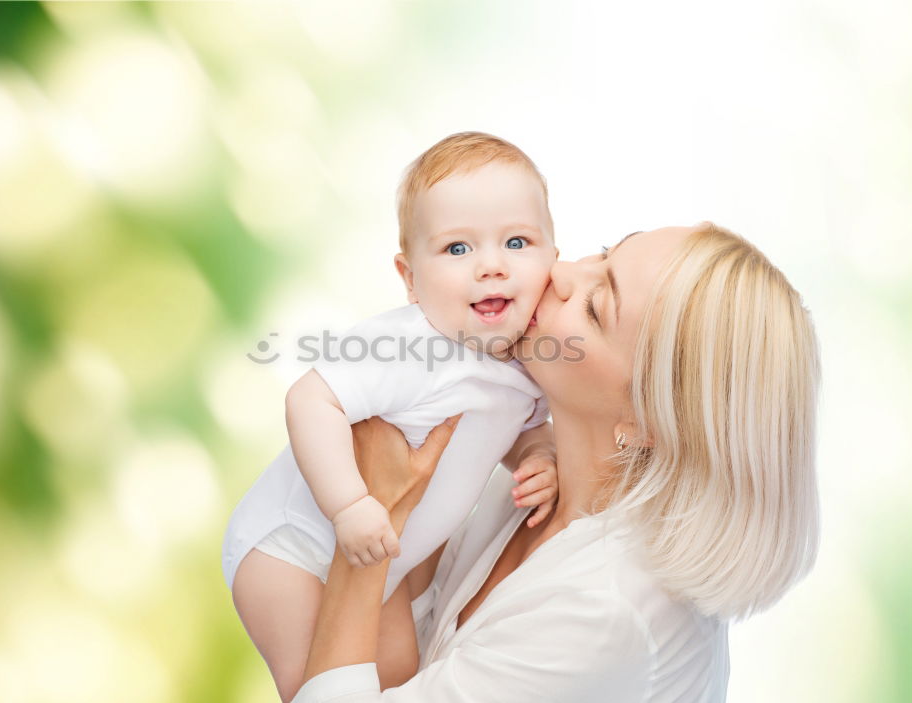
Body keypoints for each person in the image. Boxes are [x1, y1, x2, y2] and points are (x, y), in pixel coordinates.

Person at [291, 223, 822, 702]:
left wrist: (373, 518)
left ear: (646, 421)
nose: (559, 271)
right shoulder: (540, 477)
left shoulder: (607, 613)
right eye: (602, 254)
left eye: (596, 307)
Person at [222, 132, 567, 701]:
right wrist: (349, 505)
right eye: (458, 249)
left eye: (517, 241)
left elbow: (522, 427)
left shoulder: (532, 361)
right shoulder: (410, 347)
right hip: (290, 550)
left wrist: (538, 456)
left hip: (385, 567)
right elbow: (311, 400)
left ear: (553, 255)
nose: (491, 266)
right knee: (315, 682)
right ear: (410, 278)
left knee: (402, 682)